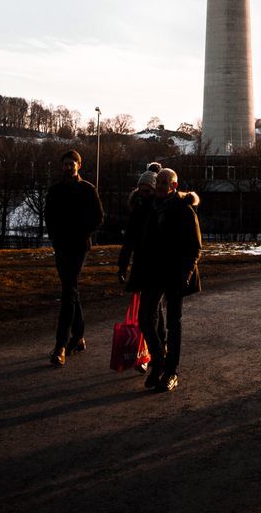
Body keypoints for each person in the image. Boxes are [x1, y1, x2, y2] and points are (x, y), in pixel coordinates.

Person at [136, 167, 201, 392]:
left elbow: (195, 247)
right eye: (159, 182)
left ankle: (170, 372)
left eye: (165, 182)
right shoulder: (150, 207)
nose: (160, 186)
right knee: (144, 318)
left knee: (174, 323)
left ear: (174, 186)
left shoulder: (184, 209)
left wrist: (186, 275)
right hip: (153, 273)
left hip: (175, 274)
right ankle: (159, 359)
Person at [43, 149, 104, 366]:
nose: (69, 167)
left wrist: (82, 233)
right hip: (61, 246)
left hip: (78, 247)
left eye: (72, 164)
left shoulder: (88, 190)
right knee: (71, 290)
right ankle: (78, 338)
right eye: (66, 164)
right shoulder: (55, 190)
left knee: (68, 291)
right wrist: (55, 236)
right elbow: (48, 215)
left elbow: (98, 217)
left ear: (79, 165)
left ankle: (60, 344)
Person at [118, 164, 165, 366]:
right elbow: (129, 239)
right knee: (154, 313)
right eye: (141, 189)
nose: (143, 193)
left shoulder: (159, 210)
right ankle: (160, 348)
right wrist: (122, 264)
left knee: (147, 316)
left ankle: (158, 355)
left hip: (157, 268)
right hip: (142, 267)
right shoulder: (137, 210)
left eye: (147, 190)